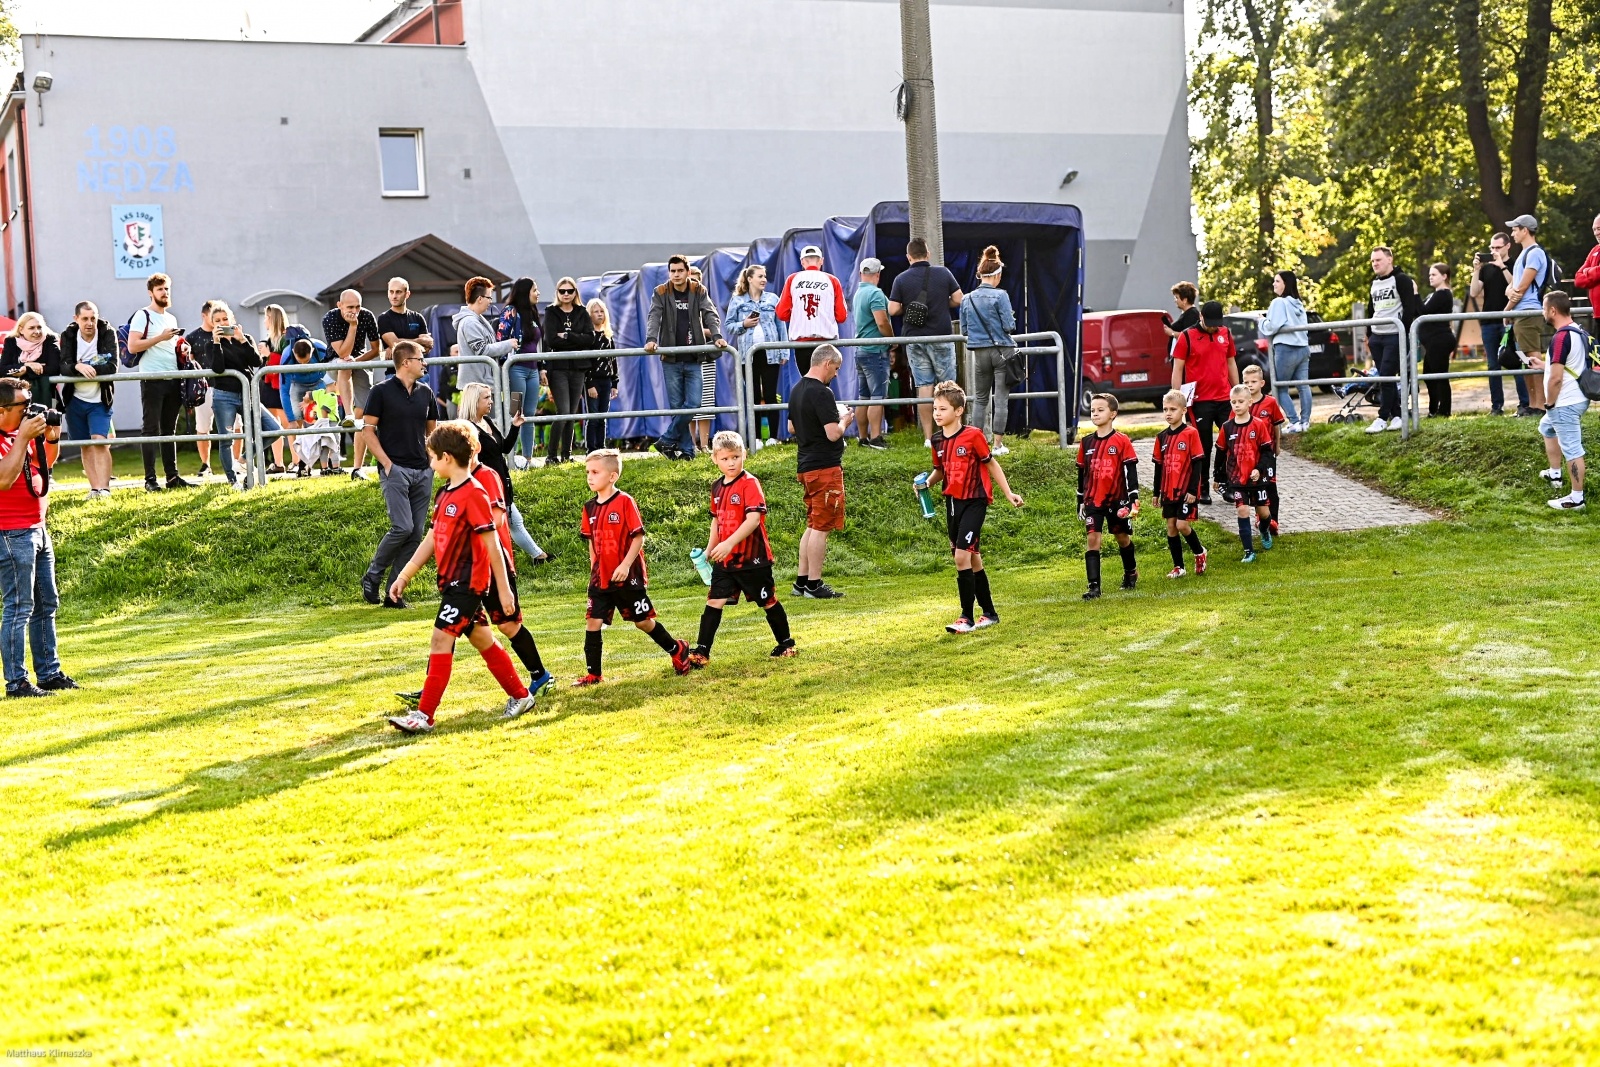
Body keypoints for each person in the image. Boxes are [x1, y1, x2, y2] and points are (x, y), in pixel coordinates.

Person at [383, 423, 536, 734]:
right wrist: (405, 574)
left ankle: (424, 714)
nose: (429, 463)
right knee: (482, 639)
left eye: (432, 458)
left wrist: (504, 590)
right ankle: (521, 696)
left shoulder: (474, 494)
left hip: (470, 582)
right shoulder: (445, 493)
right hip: (452, 581)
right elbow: (432, 537)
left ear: (447, 457)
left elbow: (492, 544)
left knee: (441, 638)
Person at [572, 449, 692, 686]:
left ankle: (677, 648)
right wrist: (594, 568)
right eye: (588, 472)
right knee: (593, 621)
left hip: (629, 576)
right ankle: (594, 674)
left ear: (612, 476)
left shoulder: (625, 502)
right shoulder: (589, 508)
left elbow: (638, 537)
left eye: (595, 472)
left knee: (643, 622)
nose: (590, 477)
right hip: (601, 579)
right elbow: (592, 543)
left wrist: (626, 566)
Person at [687, 430, 797, 666]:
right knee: (714, 601)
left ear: (744, 455)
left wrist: (728, 543)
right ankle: (702, 652)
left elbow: (753, 520)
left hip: (752, 559)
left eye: (735, 457)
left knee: (767, 601)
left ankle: (786, 644)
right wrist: (709, 552)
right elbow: (716, 522)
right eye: (725, 458)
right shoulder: (716, 487)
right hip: (725, 561)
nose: (731, 462)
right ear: (714, 458)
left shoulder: (750, 483)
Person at [923, 380, 1024, 633]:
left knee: (961, 557)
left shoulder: (973, 436)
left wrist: (1008, 493)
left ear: (958, 411)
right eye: (935, 408)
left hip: (975, 502)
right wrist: (925, 483)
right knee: (973, 558)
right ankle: (989, 613)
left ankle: (965, 617)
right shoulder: (936, 441)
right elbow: (939, 471)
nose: (937, 413)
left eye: (942, 408)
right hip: (952, 504)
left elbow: (991, 465)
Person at [0, 376, 74, 697]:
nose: (31, 411)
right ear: (2, 409)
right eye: (24, 405)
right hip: (10, 532)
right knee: (19, 606)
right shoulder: (11, 437)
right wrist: (23, 439)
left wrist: (51, 440)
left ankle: (49, 673)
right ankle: (16, 682)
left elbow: (40, 467)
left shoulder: (21, 432)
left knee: (47, 603)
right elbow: (4, 478)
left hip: (37, 527)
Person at [360, 340, 441, 609]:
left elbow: (432, 432)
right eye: (420, 358)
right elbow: (368, 430)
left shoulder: (426, 392)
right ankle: (373, 575)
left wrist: (432, 462)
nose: (424, 363)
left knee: (416, 533)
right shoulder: (380, 392)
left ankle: (393, 594)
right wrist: (386, 464)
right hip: (394, 470)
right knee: (402, 527)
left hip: (422, 471)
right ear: (406, 362)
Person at [457, 381, 549, 566]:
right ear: (474, 401)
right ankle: (534, 557)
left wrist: (515, 426)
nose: (491, 401)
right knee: (509, 523)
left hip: (501, 483)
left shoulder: (487, 421)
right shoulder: (466, 428)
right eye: (487, 398)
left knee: (513, 522)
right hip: (485, 487)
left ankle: (536, 557)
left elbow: (504, 448)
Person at [645, 255, 726, 460]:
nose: (676, 275)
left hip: (693, 356)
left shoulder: (698, 290)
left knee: (694, 404)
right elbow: (654, 316)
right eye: (672, 271)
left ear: (688, 272)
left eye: (680, 271)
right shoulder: (661, 291)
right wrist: (651, 339)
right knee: (677, 407)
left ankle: (667, 440)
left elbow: (710, 313)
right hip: (671, 358)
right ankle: (686, 451)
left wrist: (716, 336)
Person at [787, 343, 852, 599]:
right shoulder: (822, 393)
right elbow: (833, 433)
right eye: (835, 368)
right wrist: (845, 419)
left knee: (813, 524)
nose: (835, 374)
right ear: (826, 363)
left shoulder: (796, 390)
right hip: (824, 467)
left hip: (806, 466)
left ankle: (801, 582)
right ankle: (814, 584)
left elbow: (792, 428)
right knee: (822, 526)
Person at [889, 237, 964, 445]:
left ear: (908, 257)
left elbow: (893, 309)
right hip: (941, 335)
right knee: (947, 386)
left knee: (924, 386)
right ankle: (950, 434)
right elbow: (959, 299)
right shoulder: (943, 273)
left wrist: (909, 307)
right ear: (928, 254)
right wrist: (942, 302)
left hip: (915, 338)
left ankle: (928, 438)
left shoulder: (901, 279)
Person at [205, 302, 286, 486]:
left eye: (225, 319)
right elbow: (217, 368)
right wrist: (217, 342)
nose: (222, 323)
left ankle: (242, 460)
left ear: (232, 319)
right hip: (224, 396)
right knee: (226, 440)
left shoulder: (244, 338)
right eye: (217, 321)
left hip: (248, 395)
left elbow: (257, 361)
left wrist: (242, 340)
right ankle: (232, 480)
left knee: (274, 429)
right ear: (212, 324)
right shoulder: (211, 345)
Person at [126, 273, 194, 492]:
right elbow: (133, 346)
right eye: (160, 289)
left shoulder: (171, 318)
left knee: (169, 430)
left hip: (173, 378)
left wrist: (182, 349)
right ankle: (150, 479)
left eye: (167, 289)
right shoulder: (142, 315)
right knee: (150, 429)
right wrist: (160, 338)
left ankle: (172, 477)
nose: (165, 293)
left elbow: (169, 346)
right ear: (151, 292)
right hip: (152, 379)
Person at [1170, 300, 1239, 502]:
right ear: (1200, 317)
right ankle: (1202, 487)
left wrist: (1238, 391)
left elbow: (1231, 362)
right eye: (1209, 323)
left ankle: (1226, 483)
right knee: (1204, 445)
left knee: (1230, 442)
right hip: (1199, 401)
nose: (1213, 327)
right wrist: (1176, 400)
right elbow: (1178, 369)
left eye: (1216, 323)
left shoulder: (1225, 333)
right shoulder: (1187, 337)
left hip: (1225, 398)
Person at [1077, 394, 1138, 600]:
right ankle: (1094, 587)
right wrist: (1080, 501)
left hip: (1117, 499)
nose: (1095, 413)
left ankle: (1131, 571)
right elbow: (1081, 474)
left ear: (1113, 414)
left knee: (1122, 538)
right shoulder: (1086, 443)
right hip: (1093, 500)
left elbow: (1131, 471)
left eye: (1100, 410)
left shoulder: (1121, 441)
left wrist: (1133, 498)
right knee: (1093, 538)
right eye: (1093, 410)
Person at [960, 245, 1019, 456]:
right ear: (998, 275)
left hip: (979, 353)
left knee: (980, 398)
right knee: (1001, 398)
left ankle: (978, 444)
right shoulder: (1001, 295)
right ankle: (997, 446)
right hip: (1002, 351)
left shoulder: (967, 299)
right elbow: (1009, 326)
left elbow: (965, 329)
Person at [1534, 290, 1590, 510]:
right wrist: (1542, 365)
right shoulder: (1578, 331)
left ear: (1553, 310)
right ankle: (1555, 475)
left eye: (1543, 309)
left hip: (1564, 402)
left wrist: (1549, 403)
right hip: (1577, 396)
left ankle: (1577, 499)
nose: (1542, 313)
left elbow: (1556, 379)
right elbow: (1569, 365)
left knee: (1573, 449)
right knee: (1546, 427)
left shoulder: (1559, 337)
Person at [322, 289, 382, 478]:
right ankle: (347, 413)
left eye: (358, 306)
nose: (354, 311)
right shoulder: (330, 318)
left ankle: (357, 468)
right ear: (339, 305)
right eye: (350, 307)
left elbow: (375, 350)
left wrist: (358, 361)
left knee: (364, 415)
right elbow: (341, 352)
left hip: (359, 361)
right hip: (336, 363)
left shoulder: (367, 316)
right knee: (344, 363)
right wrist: (353, 327)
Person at [726, 264, 787, 446]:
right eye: (760, 276)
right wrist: (743, 324)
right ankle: (757, 438)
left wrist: (784, 351)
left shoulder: (773, 299)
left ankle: (773, 438)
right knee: (752, 396)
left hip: (771, 354)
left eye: (765, 276)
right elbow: (729, 326)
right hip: (748, 356)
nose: (763, 280)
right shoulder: (738, 300)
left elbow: (781, 326)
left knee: (770, 395)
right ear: (750, 278)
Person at [1151, 390, 1208, 579]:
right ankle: (1178, 566)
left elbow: (1198, 462)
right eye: (1165, 409)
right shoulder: (1161, 437)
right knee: (1171, 527)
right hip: (1168, 492)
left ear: (1183, 410)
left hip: (1185, 491)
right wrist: (1156, 492)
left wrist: (1193, 489)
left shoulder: (1191, 433)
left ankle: (1199, 552)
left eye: (1173, 409)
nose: (1168, 413)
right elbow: (1158, 467)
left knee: (1183, 525)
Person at [1215, 384, 1276, 561]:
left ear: (1249, 402)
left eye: (1240, 401)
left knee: (1264, 513)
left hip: (1258, 479)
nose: (1237, 405)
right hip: (1237, 480)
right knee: (1242, 510)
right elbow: (1220, 453)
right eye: (1233, 402)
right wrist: (1218, 477)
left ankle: (1264, 529)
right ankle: (1249, 552)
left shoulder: (1258, 425)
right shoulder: (1226, 428)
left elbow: (1267, 452)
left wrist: (1259, 469)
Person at [61, 302, 117, 497]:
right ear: (76, 319)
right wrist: (77, 367)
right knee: (85, 444)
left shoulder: (107, 332)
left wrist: (87, 366)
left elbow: (112, 365)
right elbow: (64, 365)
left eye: (93, 318)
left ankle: (105, 489)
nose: (90, 323)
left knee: (100, 441)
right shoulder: (68, 335)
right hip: (75, 399)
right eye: (85, 318)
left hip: (100, 399)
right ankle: (94, 489)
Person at [1365, 247, 1422, 433]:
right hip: (1377, 337)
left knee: (1386, 376)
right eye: (1373, 261)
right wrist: (1369, 335)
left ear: (1390, 259)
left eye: (1378, 260)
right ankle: (1397, 415)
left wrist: (1401, 331)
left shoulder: (1402, 280)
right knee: (1385, 377)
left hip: (1394, 335)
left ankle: (1382, 417)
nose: (1375, 264)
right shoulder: (1374, 283)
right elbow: (1370, 310)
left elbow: (1409, 309)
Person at [1469, 231, 1525, 416]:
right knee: (1493, 366)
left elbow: (1516, 286)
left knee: (1516, 362)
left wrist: (1502, 266)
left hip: (1509, 320)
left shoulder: (1515, 264)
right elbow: (1474, 292)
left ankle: (1524, 404)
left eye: (1498, 247)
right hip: (1488, 321)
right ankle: (1496, 407)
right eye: (1492, 248)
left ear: (1508, 246)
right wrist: (1476, 270)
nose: (1494, 251)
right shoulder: (1486, 268)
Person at [541, 277, 596, 466]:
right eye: (562, 291)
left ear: (575, 293)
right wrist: (576, 340)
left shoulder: (582, 312)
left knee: (572, 413)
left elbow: (590, 338)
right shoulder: (551, 312)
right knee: (563, 412)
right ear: (557, 292)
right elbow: (550, 340)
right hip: (558, 368)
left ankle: (566, 455)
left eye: (569, 291)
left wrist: (567, 335)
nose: (566, 294)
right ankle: (551, 456)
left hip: (579, 367)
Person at [1503, 215, 1552, 417]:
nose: (1512, 233)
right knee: (1525, 359)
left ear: (1525, 230)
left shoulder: (1535, 253)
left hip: (1528, 312)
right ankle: (1532, 404)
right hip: (1520, 312)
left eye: (1515, 229)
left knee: (1533, 357)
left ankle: (1540, 405)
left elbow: (1521, 287)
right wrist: (1511, 292)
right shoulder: (1524, 254)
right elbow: (1512, 286)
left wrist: (1506, 310)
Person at [775, 245, 847, 374]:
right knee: (824, 382)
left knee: (808, 380)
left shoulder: (793, 279)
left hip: (802, 343)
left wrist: (797, 314)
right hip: (826, 341)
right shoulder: (832, 280)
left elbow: (781, 313)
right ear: (821, 261)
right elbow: (842, 316)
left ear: (803, 262)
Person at [496, 277, 544, 465]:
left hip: (533, 371)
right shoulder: (510, 312)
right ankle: (511, 457)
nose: (538, 293)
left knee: (530, 414)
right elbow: (501, 339)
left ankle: (528, 458)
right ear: (525, 292)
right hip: (516, 370)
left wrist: (542, 369)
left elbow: (538, 345)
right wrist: (501, 367)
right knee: (515, 412)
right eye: (535, 290)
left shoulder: (532, 312)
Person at [1260, 270, 1311, 431]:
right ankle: (1305, 422)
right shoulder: (1298, 303)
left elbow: (1273, 326)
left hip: (1286, 348)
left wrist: (1262, 321)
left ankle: (1294, 421)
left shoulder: (1278, 302)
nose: (1274, 284)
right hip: (1303, 347)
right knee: (1303, 386)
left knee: (1280, 387)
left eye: (1277, 281)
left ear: (1285, 284)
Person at [851, 258, 894, 450]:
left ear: (861, 273)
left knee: (863, 397)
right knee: (877, 396)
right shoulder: (875, 294)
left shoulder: (858, 293)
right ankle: (876, 438)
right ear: (878, 274)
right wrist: (892, 341)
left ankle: (862, 437)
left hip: (860, 349)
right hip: (875, 350)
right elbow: (882, 322)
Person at [452, 275, 516, 396]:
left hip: (482, 385)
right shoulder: (470, 322)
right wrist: (508, 344)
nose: (490, 302)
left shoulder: (476, 320)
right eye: (489, 298)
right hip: (476, 387)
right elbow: (482, 350)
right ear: (480, 298)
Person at [1242, 363, 1285, 533]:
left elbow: (1276, 426)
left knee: (1271, 486)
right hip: (1248, 455)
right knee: (1254, 486)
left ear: (1262, 383)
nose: (1249, 385)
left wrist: (1278, 446)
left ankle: (1273, 520)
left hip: (1267, 454)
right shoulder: (1242, 404)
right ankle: (1260, 516)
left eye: (1253, 381)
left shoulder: (1270, 402)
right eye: (1246, 382)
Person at [182, 302, 220, 477]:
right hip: (204, 388)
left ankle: (237, 462)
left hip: (225, 385)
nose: (216, 320)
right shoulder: (193, 337)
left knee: (235, 426)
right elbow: (188, 363)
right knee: (203, 428)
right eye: (212, 315)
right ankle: (206, 464)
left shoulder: (224, 333)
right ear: (204, 315)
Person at [1418, 263, 1457, 418]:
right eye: (1429, 275)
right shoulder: (1433, 294)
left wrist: (1414, 294)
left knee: (1440, 376)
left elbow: (1423, 310)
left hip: (1440, 340)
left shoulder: (1443, 294)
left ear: (1444, 276)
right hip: (1431, 342)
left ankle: (1444, 410)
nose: (1430, 278)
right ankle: (1433, 409)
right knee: (1429, 375)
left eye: (1434, 275)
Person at [0, 313, 62, 410]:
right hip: (15, 401)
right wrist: (26, 365)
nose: (37, 331)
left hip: (47, 397)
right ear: (21, 329)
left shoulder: (50, 340)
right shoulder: (11, 341)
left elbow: (55, 368)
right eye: (31, 328)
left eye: (39, 327)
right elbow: (3, 369)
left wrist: (26, 370)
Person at [377, 276, 435, 379]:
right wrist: (419, 341)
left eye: (398, 292)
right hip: (395, 375)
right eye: (391, 292)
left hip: (420, 375)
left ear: (407, 294)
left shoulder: (418, 317)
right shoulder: (384, 318)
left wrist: (398, 344)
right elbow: (395, 344)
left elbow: (427, 347)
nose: (394, 296)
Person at [585, 298, 619, 454]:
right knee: (593, 417)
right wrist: (589, 384)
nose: (599, 314)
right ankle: (591, 448)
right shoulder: (588, 337)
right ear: (589, 314)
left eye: (601, 311)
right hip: (593, 381)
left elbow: (613, 360)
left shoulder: (608, 336)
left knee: (602, 417)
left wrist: (614, 383)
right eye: (595, 312)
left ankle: (601, 446)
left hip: (606, 380)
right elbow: (586, 362)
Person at [257, 304, 292, 433]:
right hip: (268, 387)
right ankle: (278, 455)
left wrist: (268, 355)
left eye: (266, 317)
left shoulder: (286, 339)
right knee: (272, 429)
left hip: (281, 386)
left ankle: (297, 454)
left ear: (272, 319)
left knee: (288, 425)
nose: (265, 320)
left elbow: (285, 363)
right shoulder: (269, 340)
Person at [1574, 214, 1600, 328]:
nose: (1596, 233)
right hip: (1597, 314)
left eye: (1599, 229)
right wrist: (1595, 272)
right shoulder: (1595, 250)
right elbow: (1578, 279)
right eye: (1594, 229)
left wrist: (1588, 271)